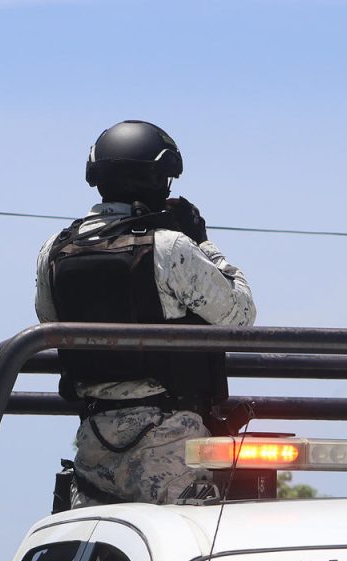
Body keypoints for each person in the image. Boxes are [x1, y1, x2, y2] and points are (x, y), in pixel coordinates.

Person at [35, 119, 256, 506]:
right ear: (160, 180)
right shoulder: (171, 246)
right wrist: (203, 242)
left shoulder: (55, 249)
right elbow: (239, 316)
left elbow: (49, 323)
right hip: (170, 446)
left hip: (94, 443)